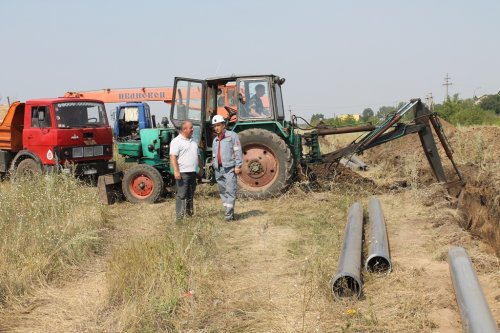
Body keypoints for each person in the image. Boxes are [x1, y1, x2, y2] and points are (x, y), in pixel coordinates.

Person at [169, 121, 203, 220]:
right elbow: (173, 157)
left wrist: (201, 168)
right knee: (182, 195)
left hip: (192, 172)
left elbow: (198, 156)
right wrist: (176, 171)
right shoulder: (176, 141)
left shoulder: (193, 141)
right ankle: (179, 218)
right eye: (191, 128)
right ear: (184, 129)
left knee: (190, 194)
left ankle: (189, 215)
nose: (192, 129)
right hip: (183, 173)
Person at [211, 115, 243, 221]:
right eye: (214, 126)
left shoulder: (232, 136)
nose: (216, 128)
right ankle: (228, 212)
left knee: (230, 191)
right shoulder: (215, 140)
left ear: (223, 125)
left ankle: (228, 216)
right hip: (218, 170)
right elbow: (214, 154)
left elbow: (237, 151)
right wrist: (214, 164)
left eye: (218, 125)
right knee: (222, 192)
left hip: (229, 169)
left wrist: (238, 166)